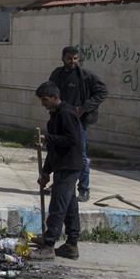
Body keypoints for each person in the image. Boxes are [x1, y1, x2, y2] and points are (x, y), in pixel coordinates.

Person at [32, 81, 83, 260]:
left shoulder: (67, 114)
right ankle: (71, 245)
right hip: (62, 165)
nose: (43, 104)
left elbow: (72, 139)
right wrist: (46, 171)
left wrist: (48, 138)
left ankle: (48, 246)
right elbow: (54, 149)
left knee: (58, 205)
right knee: (69, 206)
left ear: (55, 98)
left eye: (45, 100)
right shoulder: (54, 117)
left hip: (70, 166)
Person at [48, 45, 107, 202]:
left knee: (80, 154)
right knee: (57, 151)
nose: (72, 61)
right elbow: (50, 92)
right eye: (69, 58)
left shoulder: (86, 76)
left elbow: (102, 91)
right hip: (59, 120)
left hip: (78, 122)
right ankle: (59, 184)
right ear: (63, 58)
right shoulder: (57, 74)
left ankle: (83, 189)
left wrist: (84, 108)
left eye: (75, 59)